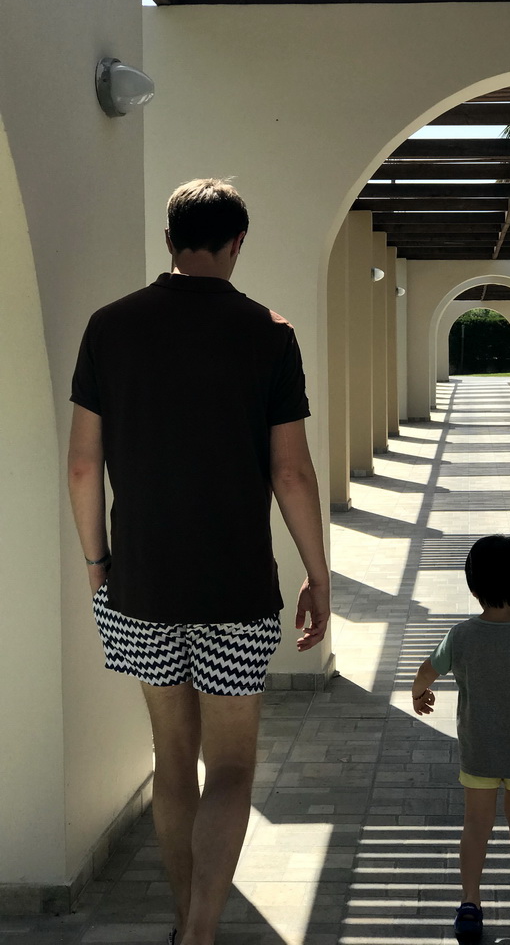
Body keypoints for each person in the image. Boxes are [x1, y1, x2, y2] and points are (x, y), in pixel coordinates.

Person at [67, 178, 330, 945]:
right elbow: (292, 472)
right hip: (238, 589)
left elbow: (84, 466)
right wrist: (318, 573)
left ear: (170, 239)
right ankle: (205, 930)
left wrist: (96, 564)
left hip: (139, 583)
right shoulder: (268, 334)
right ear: (237, 242)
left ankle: (185, 922)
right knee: (235, 770)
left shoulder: (108, 328)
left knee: (172, 765)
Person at [410, 534, 510, 938]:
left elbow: (428, 668)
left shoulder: (461, 635)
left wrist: (419, 693)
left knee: (476, 824)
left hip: (478, 750)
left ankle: (470, 901)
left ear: (473, 586)